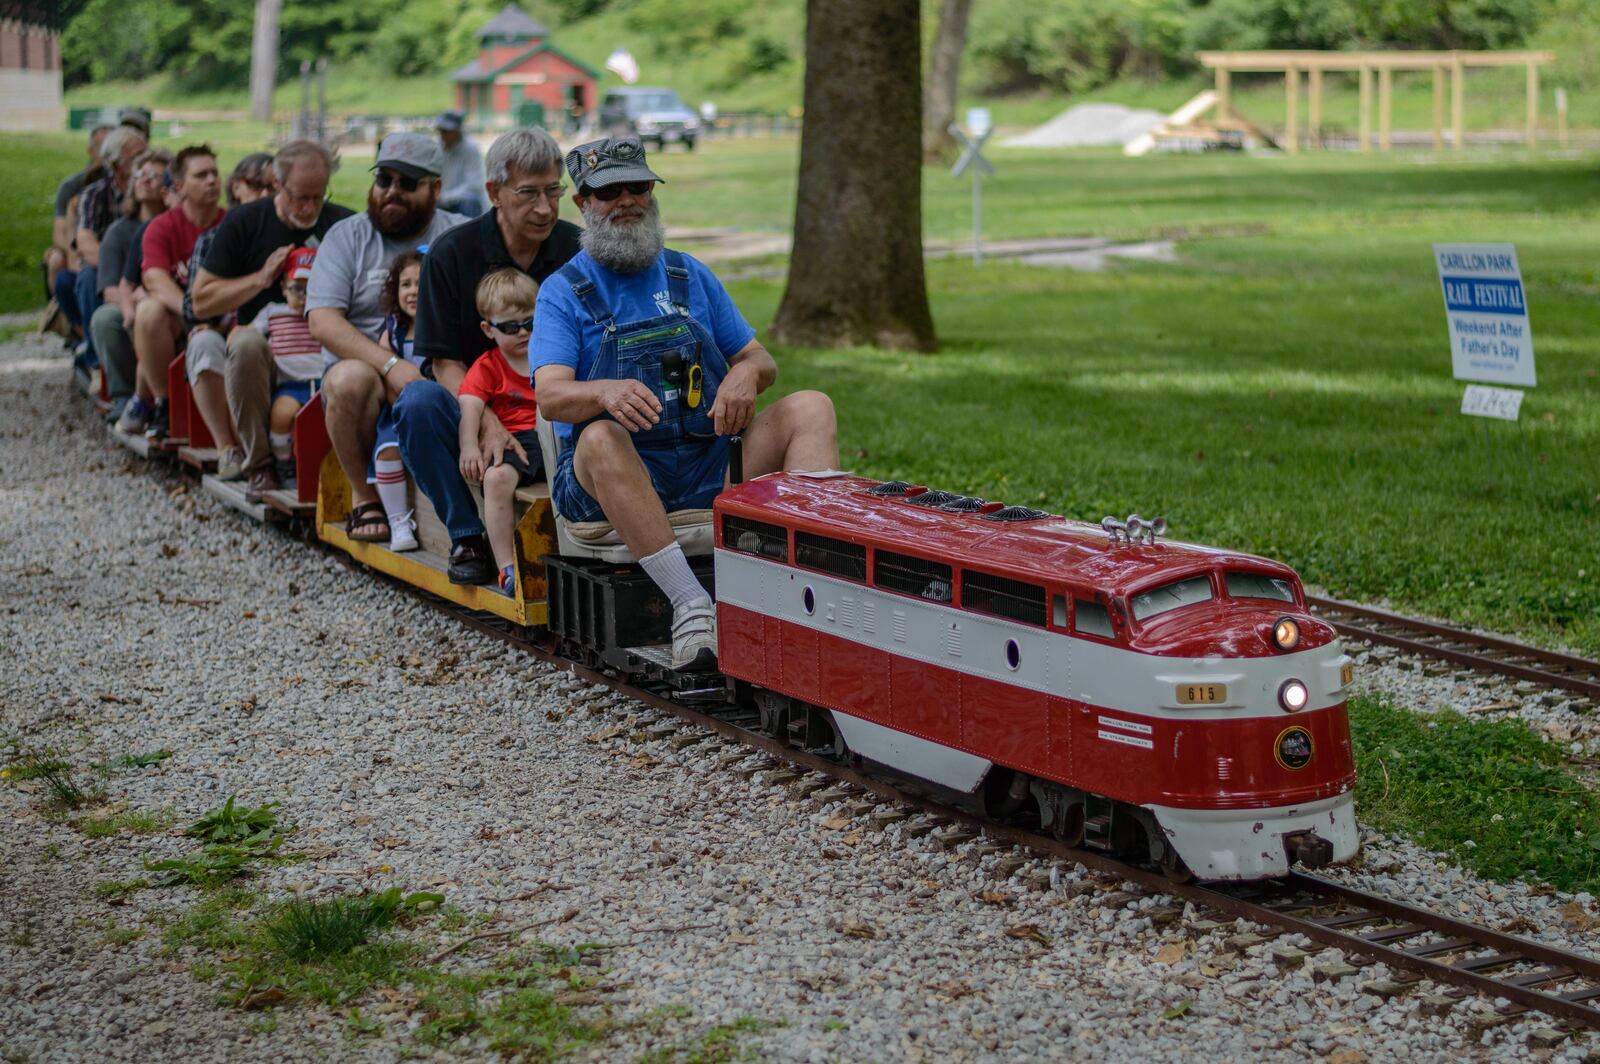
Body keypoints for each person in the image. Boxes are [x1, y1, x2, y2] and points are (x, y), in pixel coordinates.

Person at [533, 136, 838, 669]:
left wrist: (745, 374)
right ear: (582, 202)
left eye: (640, 186)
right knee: (602, 434)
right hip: (611, 485)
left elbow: (762, 360)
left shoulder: (688, 274)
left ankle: (810, 587)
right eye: (609, 191)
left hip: (707, 464)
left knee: (811, 406)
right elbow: (551, 396)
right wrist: (604, 391)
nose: (628, 199)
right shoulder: (563, 291)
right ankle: (690, 603)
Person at [398, 126, 582, 584]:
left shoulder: (577, 250)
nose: (544, 208)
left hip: (555, 403)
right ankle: (465, 534)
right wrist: (484, 421)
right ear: (494, 192)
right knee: (417, 403)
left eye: (553, 192)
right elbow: (443, 362)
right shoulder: (450, 254)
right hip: (471, 399)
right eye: (528, 194)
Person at [308, 132, 465, 546]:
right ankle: (365, 497)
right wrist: (392, 366)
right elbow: (323, 321)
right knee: (349, 380)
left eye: (407, 183)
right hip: (368, 374)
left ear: (436, 188)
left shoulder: (458, 235)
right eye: (384, 180)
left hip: (443, 365)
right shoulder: (346, 236)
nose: (391, 192)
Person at [190, 139, 354, 501]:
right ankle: (260, 462)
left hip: (323, 344)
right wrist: (261, 280)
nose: (310, 207)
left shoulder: (343, 223)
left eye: (318, 196)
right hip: (262, 345)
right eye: (300, 197)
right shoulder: (245, 221)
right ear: (278, 185)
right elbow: (201, 301)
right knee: (245, 343)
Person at [123, 145, 228, 445]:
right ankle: (163, 403)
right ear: (180, 186)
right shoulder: (161, 227)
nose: (212, 181)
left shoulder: (230, 223)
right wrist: (193, 309)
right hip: (182, 315)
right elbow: (154, 278)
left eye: (215, 174)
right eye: (201, 175)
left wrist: (213, 313)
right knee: (148, 310)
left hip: (224, 314)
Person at [457, 269, 543, 594]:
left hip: (553, 435)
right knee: (495, 479)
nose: (522, 332)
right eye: (510, 327)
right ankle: (507, 565)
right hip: (513, 439)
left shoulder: (549, 354)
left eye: (530, 322)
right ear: (488, 329)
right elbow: (470, 406)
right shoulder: (488, 366)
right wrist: (468, 446)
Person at [88, 148, 172, 420]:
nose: (144, 180)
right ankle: (124, 396)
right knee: (105, 319)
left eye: (154, 175)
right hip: (132, 306)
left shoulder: (178, 224)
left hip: (171, 303)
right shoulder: (119, 231)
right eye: (140, 174)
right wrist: (138, 299)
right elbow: (110, 288)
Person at [72, 125, 148, 379]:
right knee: (89, 279)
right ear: (116, 164)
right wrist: (116, 268)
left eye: (144, 154)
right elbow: (85, 241)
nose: (143, 164)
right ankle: (97, 363)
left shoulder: (150, 190)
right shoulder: (94, 195)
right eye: (135, 158)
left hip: (146, 264)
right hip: (110, 265)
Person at [244, 247, 323, 488]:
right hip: (290, 383)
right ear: (283, 288)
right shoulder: (273, 313)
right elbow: (250, 334)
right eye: (296, 289)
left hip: (322, 382)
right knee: (281, 415)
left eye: (310, 290)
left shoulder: (324, 314)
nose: (303, 297)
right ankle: (283, 462)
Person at [366, 250, 425, 551]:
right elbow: (388, 379)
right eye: (405, 284)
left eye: (420, 283)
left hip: (432, 414)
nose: (413, 291)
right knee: (387, 452)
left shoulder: (439, 328)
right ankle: (398, 521)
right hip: (398, 411)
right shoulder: (393, 331)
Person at [44, 123, 111, 315]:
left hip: (105, 250)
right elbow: (60, 233)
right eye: (102, 148)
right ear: (90, 150)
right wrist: (74, 255)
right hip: (80, 248)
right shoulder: (72, 187)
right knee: (57, 260)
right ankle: (66, 320)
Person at [436, 110, 487, 218]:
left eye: (447, 131)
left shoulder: (471, 149)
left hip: (464, 202)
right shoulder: (437, 147)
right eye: (442, 131)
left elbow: (474, 185)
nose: (443, 135)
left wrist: (447, 197)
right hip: (442, 200)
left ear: (457, 131)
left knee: (469, 204)